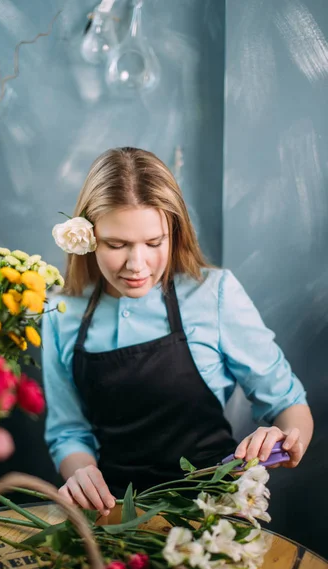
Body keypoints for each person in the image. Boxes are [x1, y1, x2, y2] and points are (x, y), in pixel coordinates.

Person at [42, 147, 313, 517]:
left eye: (154, 243)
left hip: (214, 514)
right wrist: (81, 473)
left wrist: (282, 438)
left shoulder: (213, 293)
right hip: (116, 516)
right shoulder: (62, 312)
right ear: (87, 238)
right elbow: (67, 432)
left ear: (174, 233)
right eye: (116, 245)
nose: (137, 265)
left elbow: (289, 406)